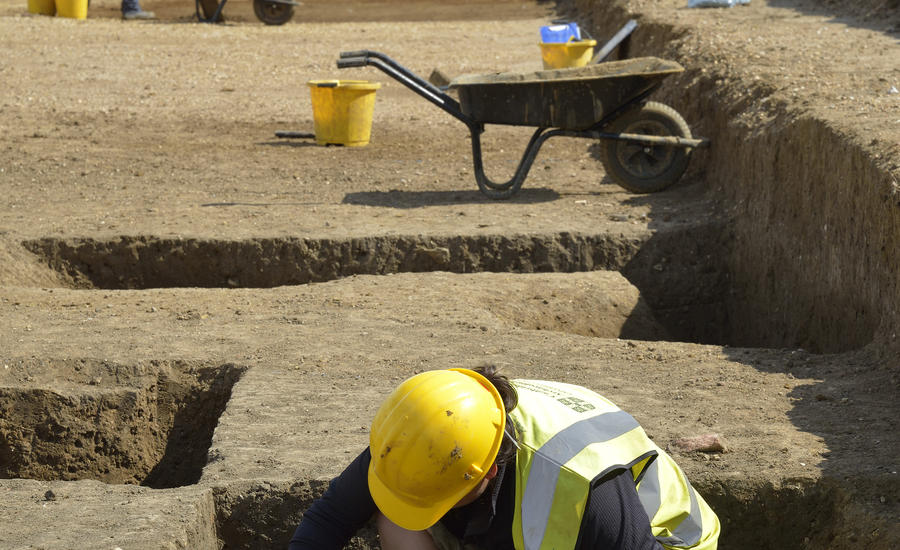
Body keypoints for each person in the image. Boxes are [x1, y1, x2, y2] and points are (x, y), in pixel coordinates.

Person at [289, 366, 720, 550]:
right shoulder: (425, 435)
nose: (428, 512)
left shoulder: (587, 491)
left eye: (444, 498)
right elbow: (328, 521)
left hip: (655, 542)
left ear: (488, 470)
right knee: (397, 514)